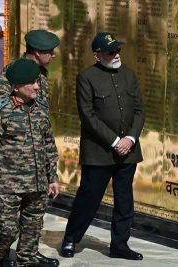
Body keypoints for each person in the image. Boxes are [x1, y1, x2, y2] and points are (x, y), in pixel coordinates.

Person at [60, 32, 145, 260]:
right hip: (99, 152)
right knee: (89, 197)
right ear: (98, 55)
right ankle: (71, 239)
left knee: (124, 200)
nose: (116, 54)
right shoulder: (86, 78)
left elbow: (139, 111)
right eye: (110, 51)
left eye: (117, 50)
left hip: (129, 151)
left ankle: (120, 245)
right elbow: (88, 116)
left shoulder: (129, 75)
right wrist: (116, 142)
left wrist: (130, 139)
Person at [0, 58, 60, 267]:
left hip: (38, 182)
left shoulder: (41, 108)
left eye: (37, 82)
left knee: (33, 225)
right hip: (9, 184)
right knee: (6, 229)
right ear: (16, 87)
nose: (36, 86)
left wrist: (53, 178)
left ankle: (27, 259)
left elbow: (49, 145)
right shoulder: (0, 112)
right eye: (31, 83)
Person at [0, 29, 60, 110]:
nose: (53, 55)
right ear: (38, 53)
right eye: (50, 52)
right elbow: (1, 107)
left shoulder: (42, 71)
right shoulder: (13, 71)